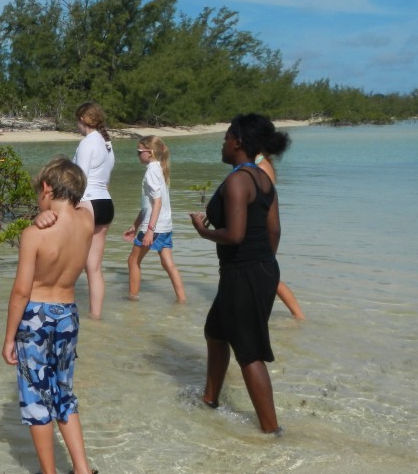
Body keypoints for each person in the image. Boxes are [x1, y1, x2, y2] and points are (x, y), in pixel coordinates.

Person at [2, 157, 101, 474]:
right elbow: (84, 203)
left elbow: (20, 291)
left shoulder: (34, 235)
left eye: (38, 195)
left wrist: (9, 337)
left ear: (46, 188)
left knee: (36, 400)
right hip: (68, 316)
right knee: (64, 394)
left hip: (35, 317)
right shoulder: (87, 221)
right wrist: (57, 207)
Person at [190, 113, 286, 434]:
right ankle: (209, 399)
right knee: (215, 331)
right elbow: (274, 232)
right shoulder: (263, 179)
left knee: (249, 352)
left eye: (226, 137)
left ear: (238, 142)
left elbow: (234, 235)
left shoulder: (237, 180)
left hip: (242, 273)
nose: (223, 143)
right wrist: (262, 267)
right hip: (260, 269)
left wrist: (203, 232)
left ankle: (272, 432)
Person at [36, 103, 115, 319]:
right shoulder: (106, 143)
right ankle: (96, 317)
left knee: (66, 258)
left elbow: (77, 180)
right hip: (106, 203)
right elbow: (106, 179)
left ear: (83, 119)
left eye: (77, 120)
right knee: (94, 268)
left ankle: (55, 306)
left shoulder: (88, 143)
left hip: (87, 202)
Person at [122, 135, 186, 303]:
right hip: (165, 226)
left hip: (153, 227)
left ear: (149, 153)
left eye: (139, 152)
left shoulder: (151, 170)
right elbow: (148, 205)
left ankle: (132, 300)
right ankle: (182, 300)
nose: (137, 155)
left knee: (133, 260)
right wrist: (135, 225)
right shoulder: (159, 168)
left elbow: (156, 203)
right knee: (167, 263)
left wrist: (149, 230)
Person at [254, 151, 305, 320]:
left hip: (262, 227)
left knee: (269, 276)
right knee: (265, 275)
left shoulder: (261, 165)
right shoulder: (262, 162)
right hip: (263, 226)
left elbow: (265, 201)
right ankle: (297, 315)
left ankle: (298, 315)